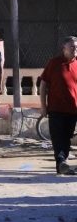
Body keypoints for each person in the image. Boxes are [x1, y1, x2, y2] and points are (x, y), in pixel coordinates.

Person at [37, 37, 77, 175]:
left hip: (73, 110)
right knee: (58, 137)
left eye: (76, 46)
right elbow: (43, 85)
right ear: (64, 49)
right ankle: (61, 162)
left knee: (67, 137)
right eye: (71, 47)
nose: (75, 49)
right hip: (56, 109)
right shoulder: (54, 63)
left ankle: (62, 163)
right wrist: (43, 106)